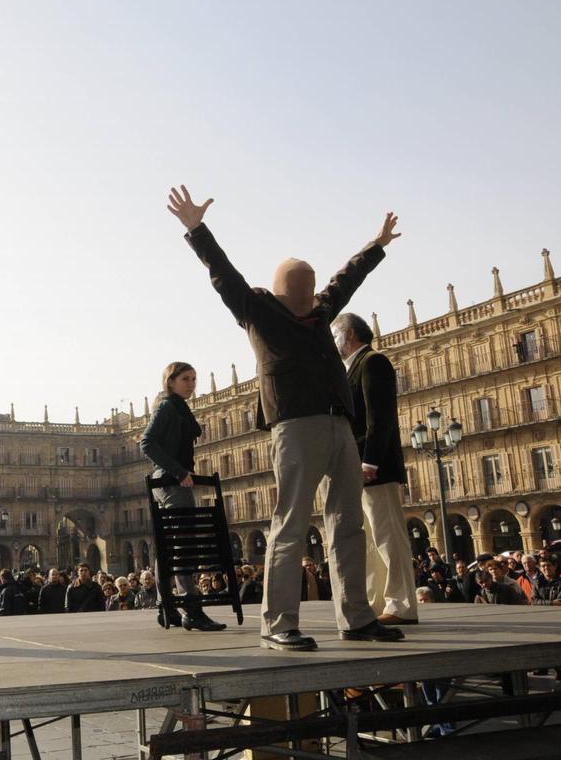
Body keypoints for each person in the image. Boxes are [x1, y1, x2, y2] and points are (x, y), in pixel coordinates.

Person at [168, 184, 404, 651]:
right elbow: (224, 274)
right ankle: (278, 623)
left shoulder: (320, 314)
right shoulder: (258, 309)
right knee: (291, 523)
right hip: (294, 426)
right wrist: (197, 229)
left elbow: (346, 279)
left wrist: (375, 247)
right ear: (281, 289)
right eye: (303, 285)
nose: (312, 292)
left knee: (348, 524)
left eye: (313, 285)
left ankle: (355, 616)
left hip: (340, 424)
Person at [333, 312, 418, 626]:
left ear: (350, 333)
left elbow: (379, 418)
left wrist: (370, 460)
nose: (333, 342)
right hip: (359, 466)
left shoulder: (373, 362)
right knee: (369, 538)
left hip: (375, 466)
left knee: (388, 536)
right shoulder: (352, 367)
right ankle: (377, 602)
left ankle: (402, 605)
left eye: (336, 335)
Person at [140, 361, 226, 631]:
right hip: (171, 481)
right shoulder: (167, 406)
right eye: (186, 379)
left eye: (194, 379)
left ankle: (166, 606)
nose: (191, 383)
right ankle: (191, 609)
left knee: (170, 544)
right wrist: (178, 472)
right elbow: (147, 442)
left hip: (170, 480)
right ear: (170, 381)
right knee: (183, 544)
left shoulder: (177, 406)